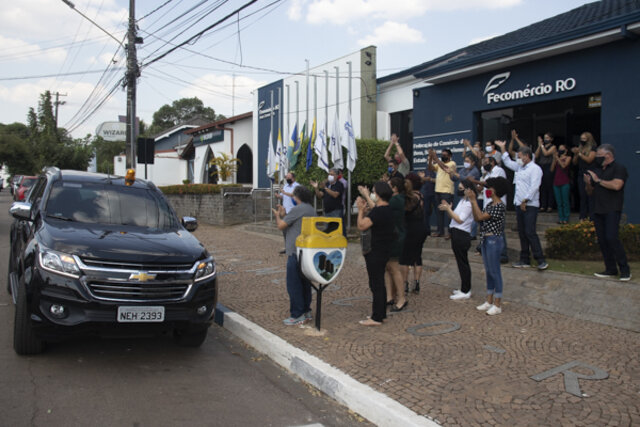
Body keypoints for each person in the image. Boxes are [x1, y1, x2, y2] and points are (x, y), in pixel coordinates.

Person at [496, 140, 548, 270]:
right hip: (519, 203)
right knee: (522, 233)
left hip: (530, 204)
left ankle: (540, 259)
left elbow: (534, 186)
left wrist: (525, 200)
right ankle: (524, 259)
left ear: (526, 156)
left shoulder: (535, 169)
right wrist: (503, 148)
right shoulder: (520, 167)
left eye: (519, 157)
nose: (518, 159)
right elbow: (507, 162)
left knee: (530, 232)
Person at [584, 144, 631, 281]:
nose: (597, 159)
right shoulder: (598, 170)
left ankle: (625, 270)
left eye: (599, 156)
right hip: (598, 209)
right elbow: (590, 192)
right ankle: (610, 269)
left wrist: (598, 180)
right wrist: (588, 183)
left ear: (608, 155)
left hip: (612, 208)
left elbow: (617, 185)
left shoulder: (619, 168)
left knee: (612, 237)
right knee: (602, 240)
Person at [272, 186, 316, 325]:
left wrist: (278, 216)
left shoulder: (298, 209)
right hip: (306, 252)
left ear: (297, 197)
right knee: (305, 283)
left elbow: (281, 226)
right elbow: (293, 223)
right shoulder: (311, 209)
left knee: (294, 284)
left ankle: (297, 314)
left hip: (295, 252)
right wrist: (285, 215)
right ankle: (306, 311)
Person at [467, 177, 510, 315]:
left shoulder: (499, 206)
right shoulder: (490, 204)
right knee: (488, 271)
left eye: (489, 188)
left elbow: (480, 217)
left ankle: (497, 303)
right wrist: (473, 204)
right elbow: (476, 217)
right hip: (485, 240)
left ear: (495, 190)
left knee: (495, 271)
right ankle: (489, 300)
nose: (487, 190)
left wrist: (473, 201)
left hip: (494, 240)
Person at [356, 181, 395, 326]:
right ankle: (381, 313)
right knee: (380, 283)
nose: (373, 193)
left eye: (373, 191)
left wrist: (360, 210)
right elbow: (374, 214)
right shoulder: (387, 209)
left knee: (376, 284)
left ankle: (376, 317)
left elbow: (361, 225)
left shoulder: (379, 211)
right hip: (384, 250)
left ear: (378, 194)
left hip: (375, 251)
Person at [438, 179, 476, 300]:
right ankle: (463, 287)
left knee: (463, 263)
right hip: (455, 232)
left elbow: (460, 219)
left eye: (461, 189)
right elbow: (454, 216)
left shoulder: (469, 203)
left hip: (462, 234)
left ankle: (466, 290)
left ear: (468, 190)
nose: (459, 191)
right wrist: (448, 209)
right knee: (460, 262)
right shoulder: (462, 201)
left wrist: (448, 210)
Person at [400, 173, 428, 295]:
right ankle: (416, 283)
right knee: (418, 255)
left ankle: (405, 283)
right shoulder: (421, 195)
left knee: (405, 257)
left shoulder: (409, 197)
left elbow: (405, 211)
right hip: (421, 227)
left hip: (409, 228)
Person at [480, 156, 509, 263]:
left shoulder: (499, 170)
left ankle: (503, 254)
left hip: (498, 205)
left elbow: (490, 185)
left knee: (499, 231)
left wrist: (473, 180)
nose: (484, 164)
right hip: (488, 204)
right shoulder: (487, 174)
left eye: (486, 162)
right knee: (489, 230)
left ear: (492, 162)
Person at [385, 177, 407, 311]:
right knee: (387, 268)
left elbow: (380, 209)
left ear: (395, 188)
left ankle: (401, 298)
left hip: (396, 237)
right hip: (390, 236)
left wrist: (365, 195)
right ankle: (389, 296)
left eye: (389, 186)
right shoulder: (395, 199)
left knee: (394, 268)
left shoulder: (396, 200)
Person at [428, 148, 456, 238]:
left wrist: (435, 158)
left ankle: (450, 232)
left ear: (450, 156)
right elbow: (431, 168)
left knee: (449, 213)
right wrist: (430, 158)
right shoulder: (438, 163)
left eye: (445, 155)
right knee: (439, 212)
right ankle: (440, 231)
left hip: (447, 191)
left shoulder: (452, 164)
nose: (443, 156)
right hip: (438, 191)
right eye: (442, 154)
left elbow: (444, 168)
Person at [572, 132, 597, 220]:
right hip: (581, 173)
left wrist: (580, 154)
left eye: (584, 139)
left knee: (590, 196)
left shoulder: (593, 148)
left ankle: (592, 217)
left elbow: (589, 160)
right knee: (582, 196)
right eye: (581, 138)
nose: (582, 141)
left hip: (590, 173)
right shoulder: (580, 148)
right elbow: (574, 162)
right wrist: (576, 154)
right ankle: (582, 216)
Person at [275, 172, 301, 254]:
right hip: (285, 212)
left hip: (293, 211)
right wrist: (279, 196)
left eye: (288, 177)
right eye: (286, 177)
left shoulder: (297, 186)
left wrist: (284, 193)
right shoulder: (285, 186)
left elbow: (294, 195)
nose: (287, 179)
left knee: (294, 230)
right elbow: (283, 196)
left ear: (293, 178)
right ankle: (287, 247)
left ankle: (295, 248)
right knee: (285, 230)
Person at [535, 132, 557, 213]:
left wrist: (541, 145)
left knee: (549, 186)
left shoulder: (553, 147)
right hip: (541, 166)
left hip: (548, 166)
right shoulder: (542, 146)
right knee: (542, 187)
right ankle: (543, 205)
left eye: (547, 138)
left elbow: (546, 153)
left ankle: (550, 205)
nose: (545, 139)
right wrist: (539, 145)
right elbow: (536, 155)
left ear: (551, 139)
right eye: (544, 138)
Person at [551, 144, 572, 224]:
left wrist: (558, 159)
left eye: (562, 149)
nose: (560, 150)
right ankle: (561, 217)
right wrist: (554, 159)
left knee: (565, 201)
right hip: (556, 182)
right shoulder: (557, 159)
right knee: (559, 202)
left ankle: (566, 218)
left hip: (564, 181)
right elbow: (552, 169)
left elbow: (564, 166)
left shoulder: (568, 158)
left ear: (566, 150)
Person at [418, 168, 436, 236]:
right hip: (426, 194)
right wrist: (422, 178)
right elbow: (422, 182)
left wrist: (430, 179)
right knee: (426, 213)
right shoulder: (425, 171)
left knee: (439, 212)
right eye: (428, 159)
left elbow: (440, 181)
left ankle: (441, 231)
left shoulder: (437, 170)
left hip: (436, 193)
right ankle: (427, 231)